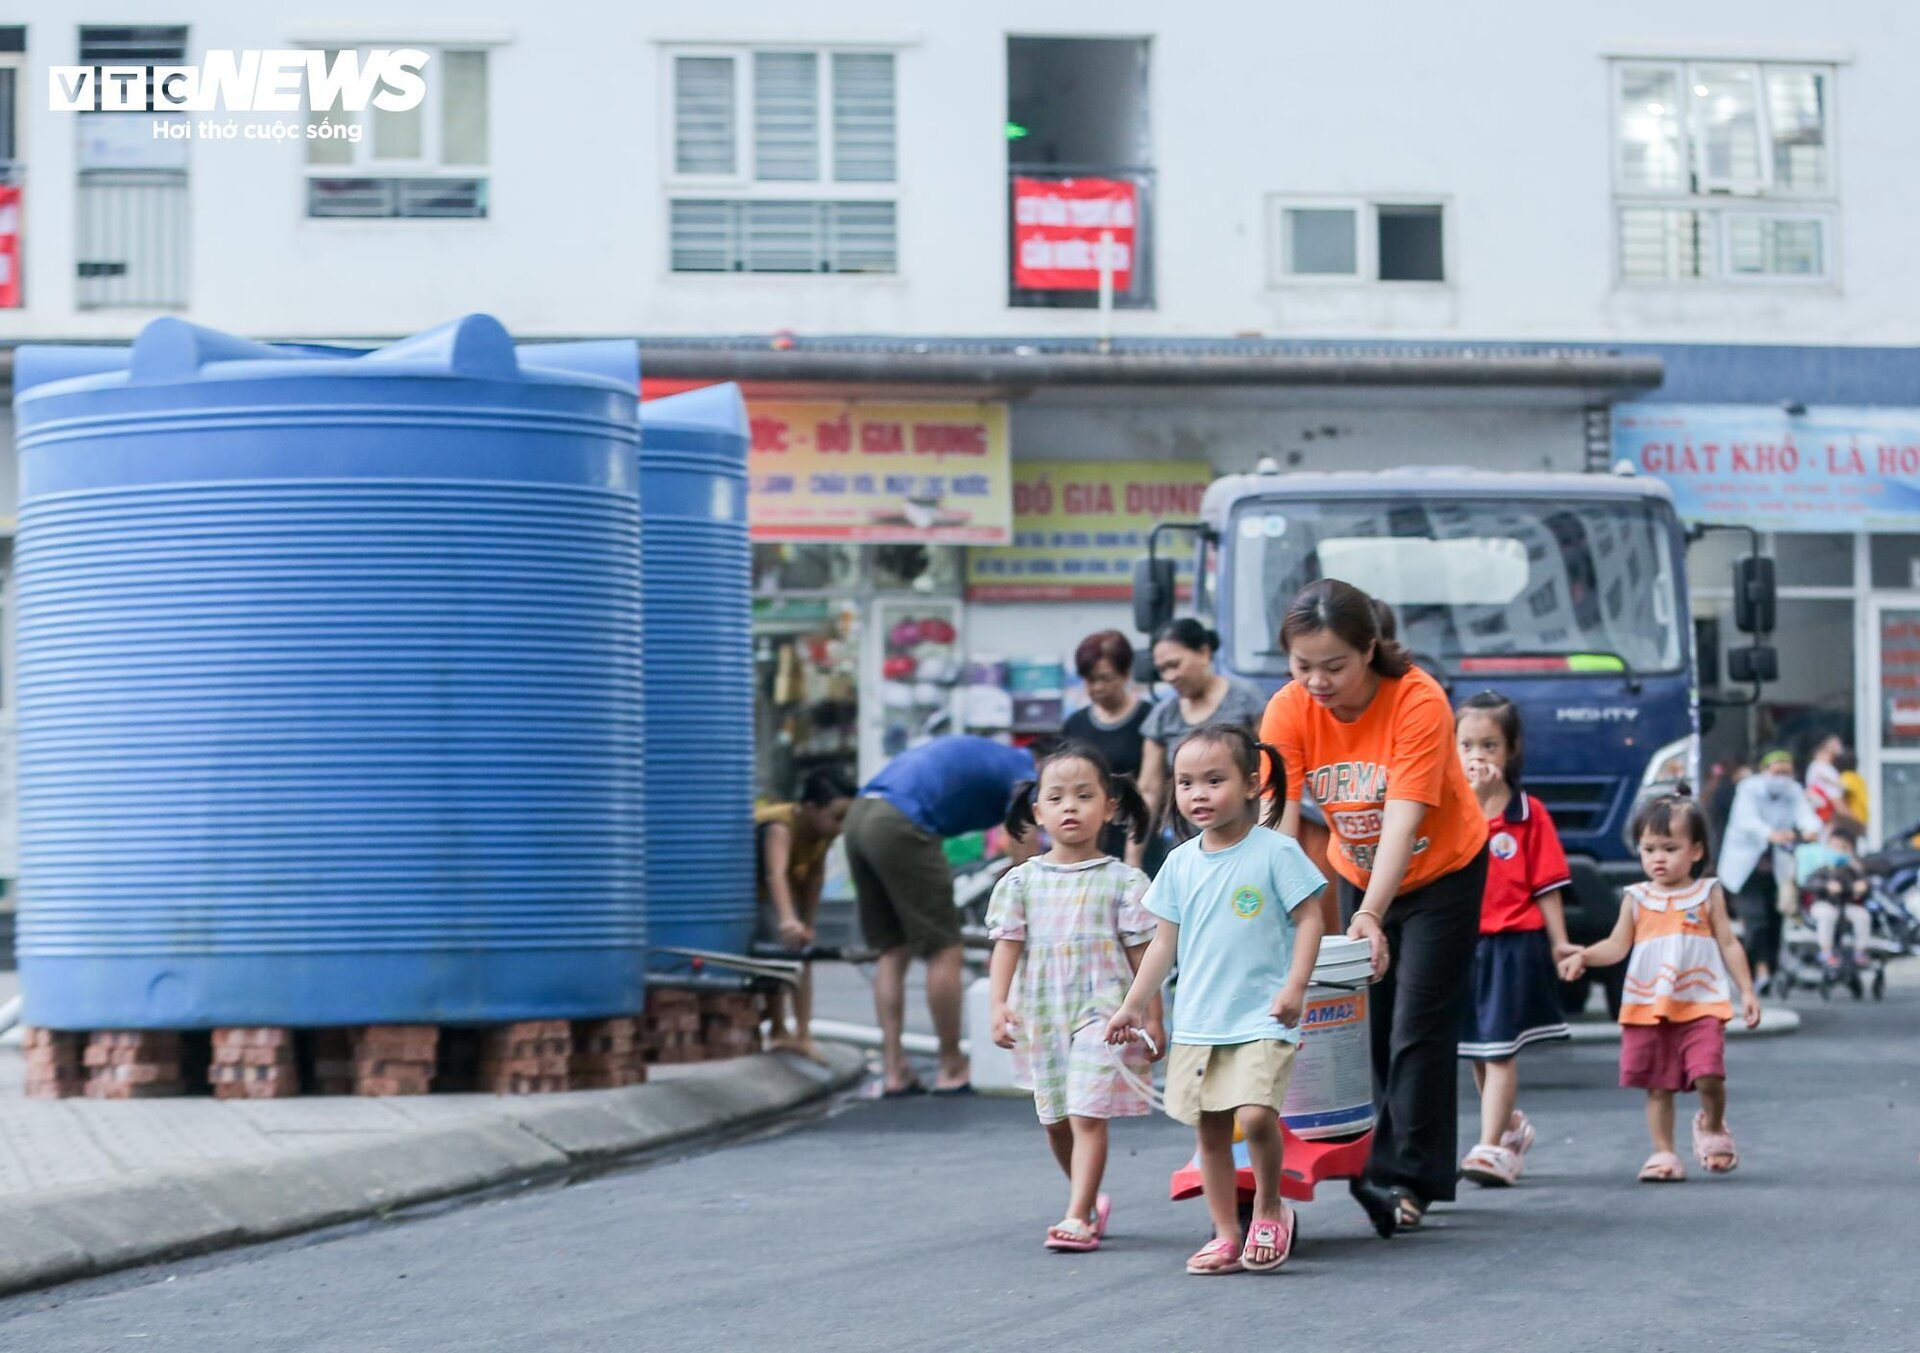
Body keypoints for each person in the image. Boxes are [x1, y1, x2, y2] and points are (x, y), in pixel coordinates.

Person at [1258, 578, 1488, 1236]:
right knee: (1372, 1026)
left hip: (1442, 868)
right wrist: (1283, 910)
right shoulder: (1287, 709)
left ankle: (1407, 1178)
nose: (1318, 682)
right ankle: (1376, 1159)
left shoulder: (1417, 697)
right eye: (1303, 666)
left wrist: (1369, 914)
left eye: (1334, 666)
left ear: (1369, 650)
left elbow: (1403, 815)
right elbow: (1280, 819)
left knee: (1419, 1023)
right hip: (1357, 867)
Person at [1106, 724, 1326, 1275]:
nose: (1197, 794)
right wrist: (1134, 1004)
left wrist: (1295, 985)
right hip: (1201, 1021)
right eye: (1185, 783)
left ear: (1252, 785)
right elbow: (1164, 943)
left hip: (1263, 1016)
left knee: (1254, 1117)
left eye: (1213, 780)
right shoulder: (1179, 862)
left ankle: (1271, 1208)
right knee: (1210, 1131)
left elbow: (1310, 919)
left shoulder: (1277, 852)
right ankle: (1227, 1234)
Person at [987, 743, 1163, 1253]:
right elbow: (1006, 946)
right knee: (1057, 1119)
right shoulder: (1020, 881)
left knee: (1087, 1113)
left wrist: (1154, 1016)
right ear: (1037, 811)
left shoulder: (1125, 881)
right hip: (1043, 1013)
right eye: (1057, 797)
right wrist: (999, 1005)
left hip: (1102, 1012)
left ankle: (1076, 1216)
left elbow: (1142, 956)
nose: (1071, 807)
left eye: (1084, 796)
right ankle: (1086, 1200)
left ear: (1109, 806)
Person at [1559, 796, 1761, 1182]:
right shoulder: (1637, 898)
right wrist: (1584, 956)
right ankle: (1664, 1153)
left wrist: (1747, 991)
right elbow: (1617, 945)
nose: (1659, 858)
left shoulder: (1707, 893)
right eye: (1649, 849)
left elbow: (1729, 943)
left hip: (1700, 1003)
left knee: (1709, 1075)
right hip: (1648, 1005)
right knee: (1657, 1085)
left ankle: (1713, 1124)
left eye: (1671, 848)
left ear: (1696, 850)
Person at [844, 735, 1038, 1096]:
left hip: (860, 816)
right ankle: (951, 1066)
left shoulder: (995, 755)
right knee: (945, 948)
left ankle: (894, 1070)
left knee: (893, 948)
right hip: (901, 821)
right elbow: (1024, 843)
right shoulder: (1025, 770)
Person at [1454, 692, 1575, 1188]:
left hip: (1512, 943)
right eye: (1466, 745)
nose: (1477, 756)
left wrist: (1560, 944)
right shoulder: (1452, 811)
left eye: (1489, 745)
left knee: (1500, 1049)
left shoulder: (1529, 814)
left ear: (1511, 751)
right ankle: (1507, 1126)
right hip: (1465, 941)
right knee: (1481, 1048)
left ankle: (1489, 1146)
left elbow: (1547, 885)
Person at [1133, 619, 1268, 871]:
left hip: (1246, 840)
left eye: (1175, 665)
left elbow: (1272, 768)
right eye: (1162, 670)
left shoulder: (1248, 700)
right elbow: (1149, 790)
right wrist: (1133, 856)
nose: (1169, 676)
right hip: (1189, 847)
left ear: (1204, 653)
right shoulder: (1163, 716)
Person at [755, 768, 857, 1055]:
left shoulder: (822, 833)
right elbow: (774, 874)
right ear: (811, 808)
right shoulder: (782, 826)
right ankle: (777, 1028)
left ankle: (803, 1033)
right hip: (759, 895)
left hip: (789, 892)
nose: (842, 827)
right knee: (777, 958)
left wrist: (807, 923)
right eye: (837, 817)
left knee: (803, 956)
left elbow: (815, 878)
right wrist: (788, 920)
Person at [1718, 749, 1820, 996]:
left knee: (1776, 922)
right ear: (1764, 771)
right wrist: (1770, 833)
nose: (1782, 778)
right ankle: (1756, 972)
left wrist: (1810, 830)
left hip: (1776, 867)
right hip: (1746, 867)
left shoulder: (1793, 792)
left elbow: (1807, 817)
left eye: (1787, 772)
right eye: (1777, 772)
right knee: (1756, 922)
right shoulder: (1749, 789)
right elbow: (1747, 821)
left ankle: (1769, 973)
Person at [1061, 630, 1153, 859]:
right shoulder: (1075, 725)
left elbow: (1150, 790)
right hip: (1086, 841)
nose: (1097, 687)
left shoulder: (1149, 720)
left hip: (1137, 839)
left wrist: (1134, 855)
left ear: (1125, 675)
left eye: (1105, 678)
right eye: (1091, 680)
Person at [1797, 823, 1874, 970]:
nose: (1837, 851)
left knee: (1863, 916)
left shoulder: (1853, 870)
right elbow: (1809, 883)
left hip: (1845, 905)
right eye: (1834, 846)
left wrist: (1862, 886)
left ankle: (1860, 952)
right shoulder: (1823, 869)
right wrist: (1826, 886)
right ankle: (1826, 952)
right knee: (1827, 915)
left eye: (1842, 847)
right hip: (1823, 904)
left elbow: (1866, 886)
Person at [1804, 734, 1847, 825]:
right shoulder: (1821, 768)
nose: (1838, 746)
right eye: (1834, 744)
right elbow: (1837, 802)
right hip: (1824, 816)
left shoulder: (1823, 768)